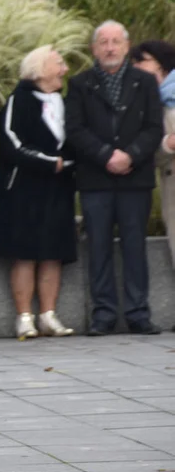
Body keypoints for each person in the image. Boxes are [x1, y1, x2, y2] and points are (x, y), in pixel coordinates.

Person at [66, 20, 164, 336]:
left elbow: (154, 128)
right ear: (94, 48)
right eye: (103, 42)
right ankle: (103, 315)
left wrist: (130, 155)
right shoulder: (81, 84)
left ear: (126, 45)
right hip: (96, 179)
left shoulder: (145, 82)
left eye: (116, 42)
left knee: (135, 247)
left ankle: (138, 313)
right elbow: (75, 130)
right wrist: (106, 155)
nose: (110, 47)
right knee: (99, 249)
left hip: (135, 179)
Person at [0, 46, 77, 339]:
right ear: (40, 68)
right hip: (23, 190)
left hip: (58, 188)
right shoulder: (19, 99)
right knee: (24, 254)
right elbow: (11, 143)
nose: (65, 69)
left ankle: (48, 315)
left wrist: (68, 163)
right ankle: (24, 317)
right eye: (59, 62)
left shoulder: (66, 102)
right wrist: (49, 162)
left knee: (54, 253)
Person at [130, 40, 175, 284]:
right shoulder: (148, 101)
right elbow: (149, 152)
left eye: (142, 61)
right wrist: (169, 143)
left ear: (162, 63)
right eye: (134, 63)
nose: (137, 67)